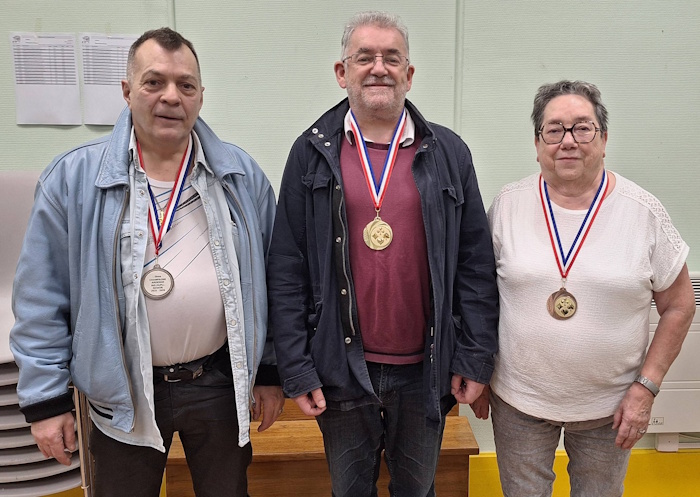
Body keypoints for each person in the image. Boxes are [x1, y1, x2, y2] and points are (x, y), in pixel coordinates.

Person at [10, 27, 284, 497]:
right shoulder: (73, 179)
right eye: (154, 82)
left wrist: (270, 372)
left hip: (218, 383)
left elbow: (273, 282)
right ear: (127, 91)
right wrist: (45, 400)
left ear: (201, 96)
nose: (171, 97)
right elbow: (41, 296)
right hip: (122, 394)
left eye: (185, 85)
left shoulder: (240, 176)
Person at [267, 10, 499, 497]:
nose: (379, 68)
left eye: (392, 58)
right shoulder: (310, 153)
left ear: (408, 74)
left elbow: (475, 266)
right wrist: (296, 367)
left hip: (426, 370)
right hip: (340, 368)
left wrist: (475, 357)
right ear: (342, 72)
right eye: (365, 57)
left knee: (417, 491)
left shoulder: (449, 153)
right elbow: (287, 269)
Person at [478, 80, 695, 497]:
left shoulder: (644, 212)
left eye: (582, 128)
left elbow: (680, 306)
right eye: (554, 129)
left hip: (611, 408)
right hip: (519, 401)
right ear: (537, 143)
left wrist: (646, 388)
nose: (568, 141)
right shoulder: (507, 205)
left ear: (604, 139)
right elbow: (478, 297)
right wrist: (476, 371)